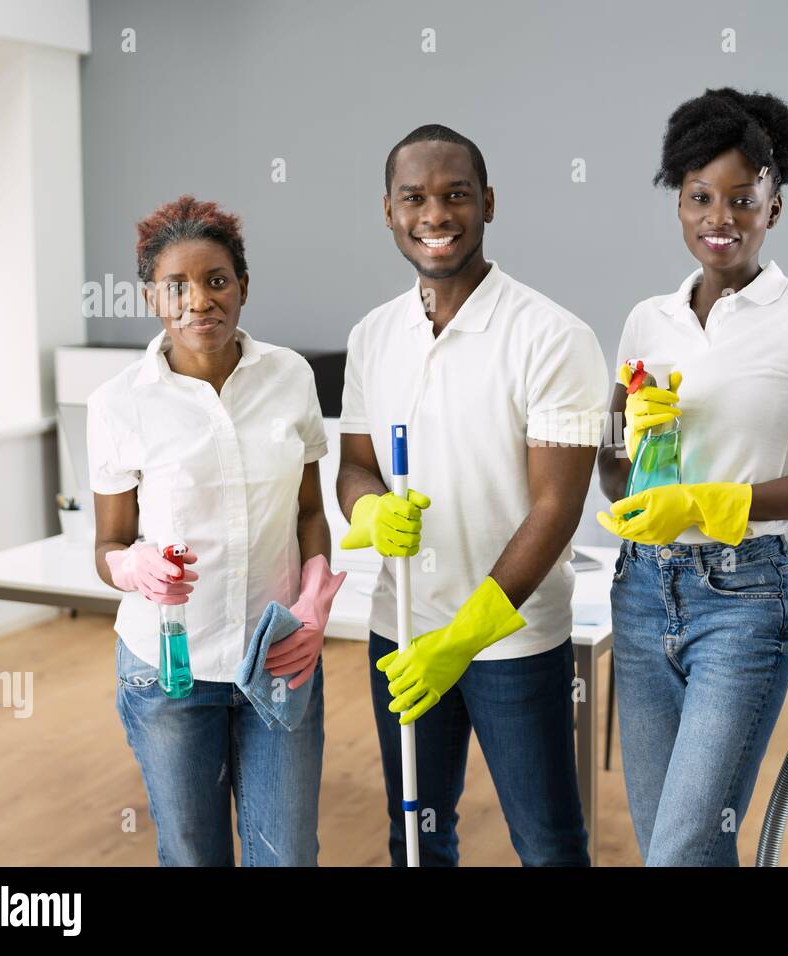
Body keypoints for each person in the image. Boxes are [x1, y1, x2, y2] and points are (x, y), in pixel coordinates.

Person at [594, 88, 788, 866]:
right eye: (699, 197)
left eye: (742, 199)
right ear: (678, 203)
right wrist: (634, 454)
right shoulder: (649, 319)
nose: (720, 217)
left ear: (773, 208)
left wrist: (715, 501)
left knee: (684, 848)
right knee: (670, 849)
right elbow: (611, 472)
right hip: (642, 593)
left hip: (742, 600)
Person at [336, 124, 609, 866]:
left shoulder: (553, 336)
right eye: (414, 198)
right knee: (417, 836)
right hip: (401, 632)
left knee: (547, 843)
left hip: (510, 639)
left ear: (487, 202)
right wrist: (367, 508)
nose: (436, 214)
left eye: (456, 194)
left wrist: (462, 639)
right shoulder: (373, 336)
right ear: (387, 212)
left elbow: (555, 510)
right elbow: (355, 464)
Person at [88, 195, 343, 866]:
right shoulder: (118, 403)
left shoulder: (289, 377)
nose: (198, 300)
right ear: (153, 299)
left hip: (278, 657)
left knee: (287, 852)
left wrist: (315, 597)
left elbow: (310, 511)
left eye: (216, 280)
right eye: (177, 286)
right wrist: (131, 566)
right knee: (195, 854)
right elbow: (106, 544)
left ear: (243, 287)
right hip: (169, 673)